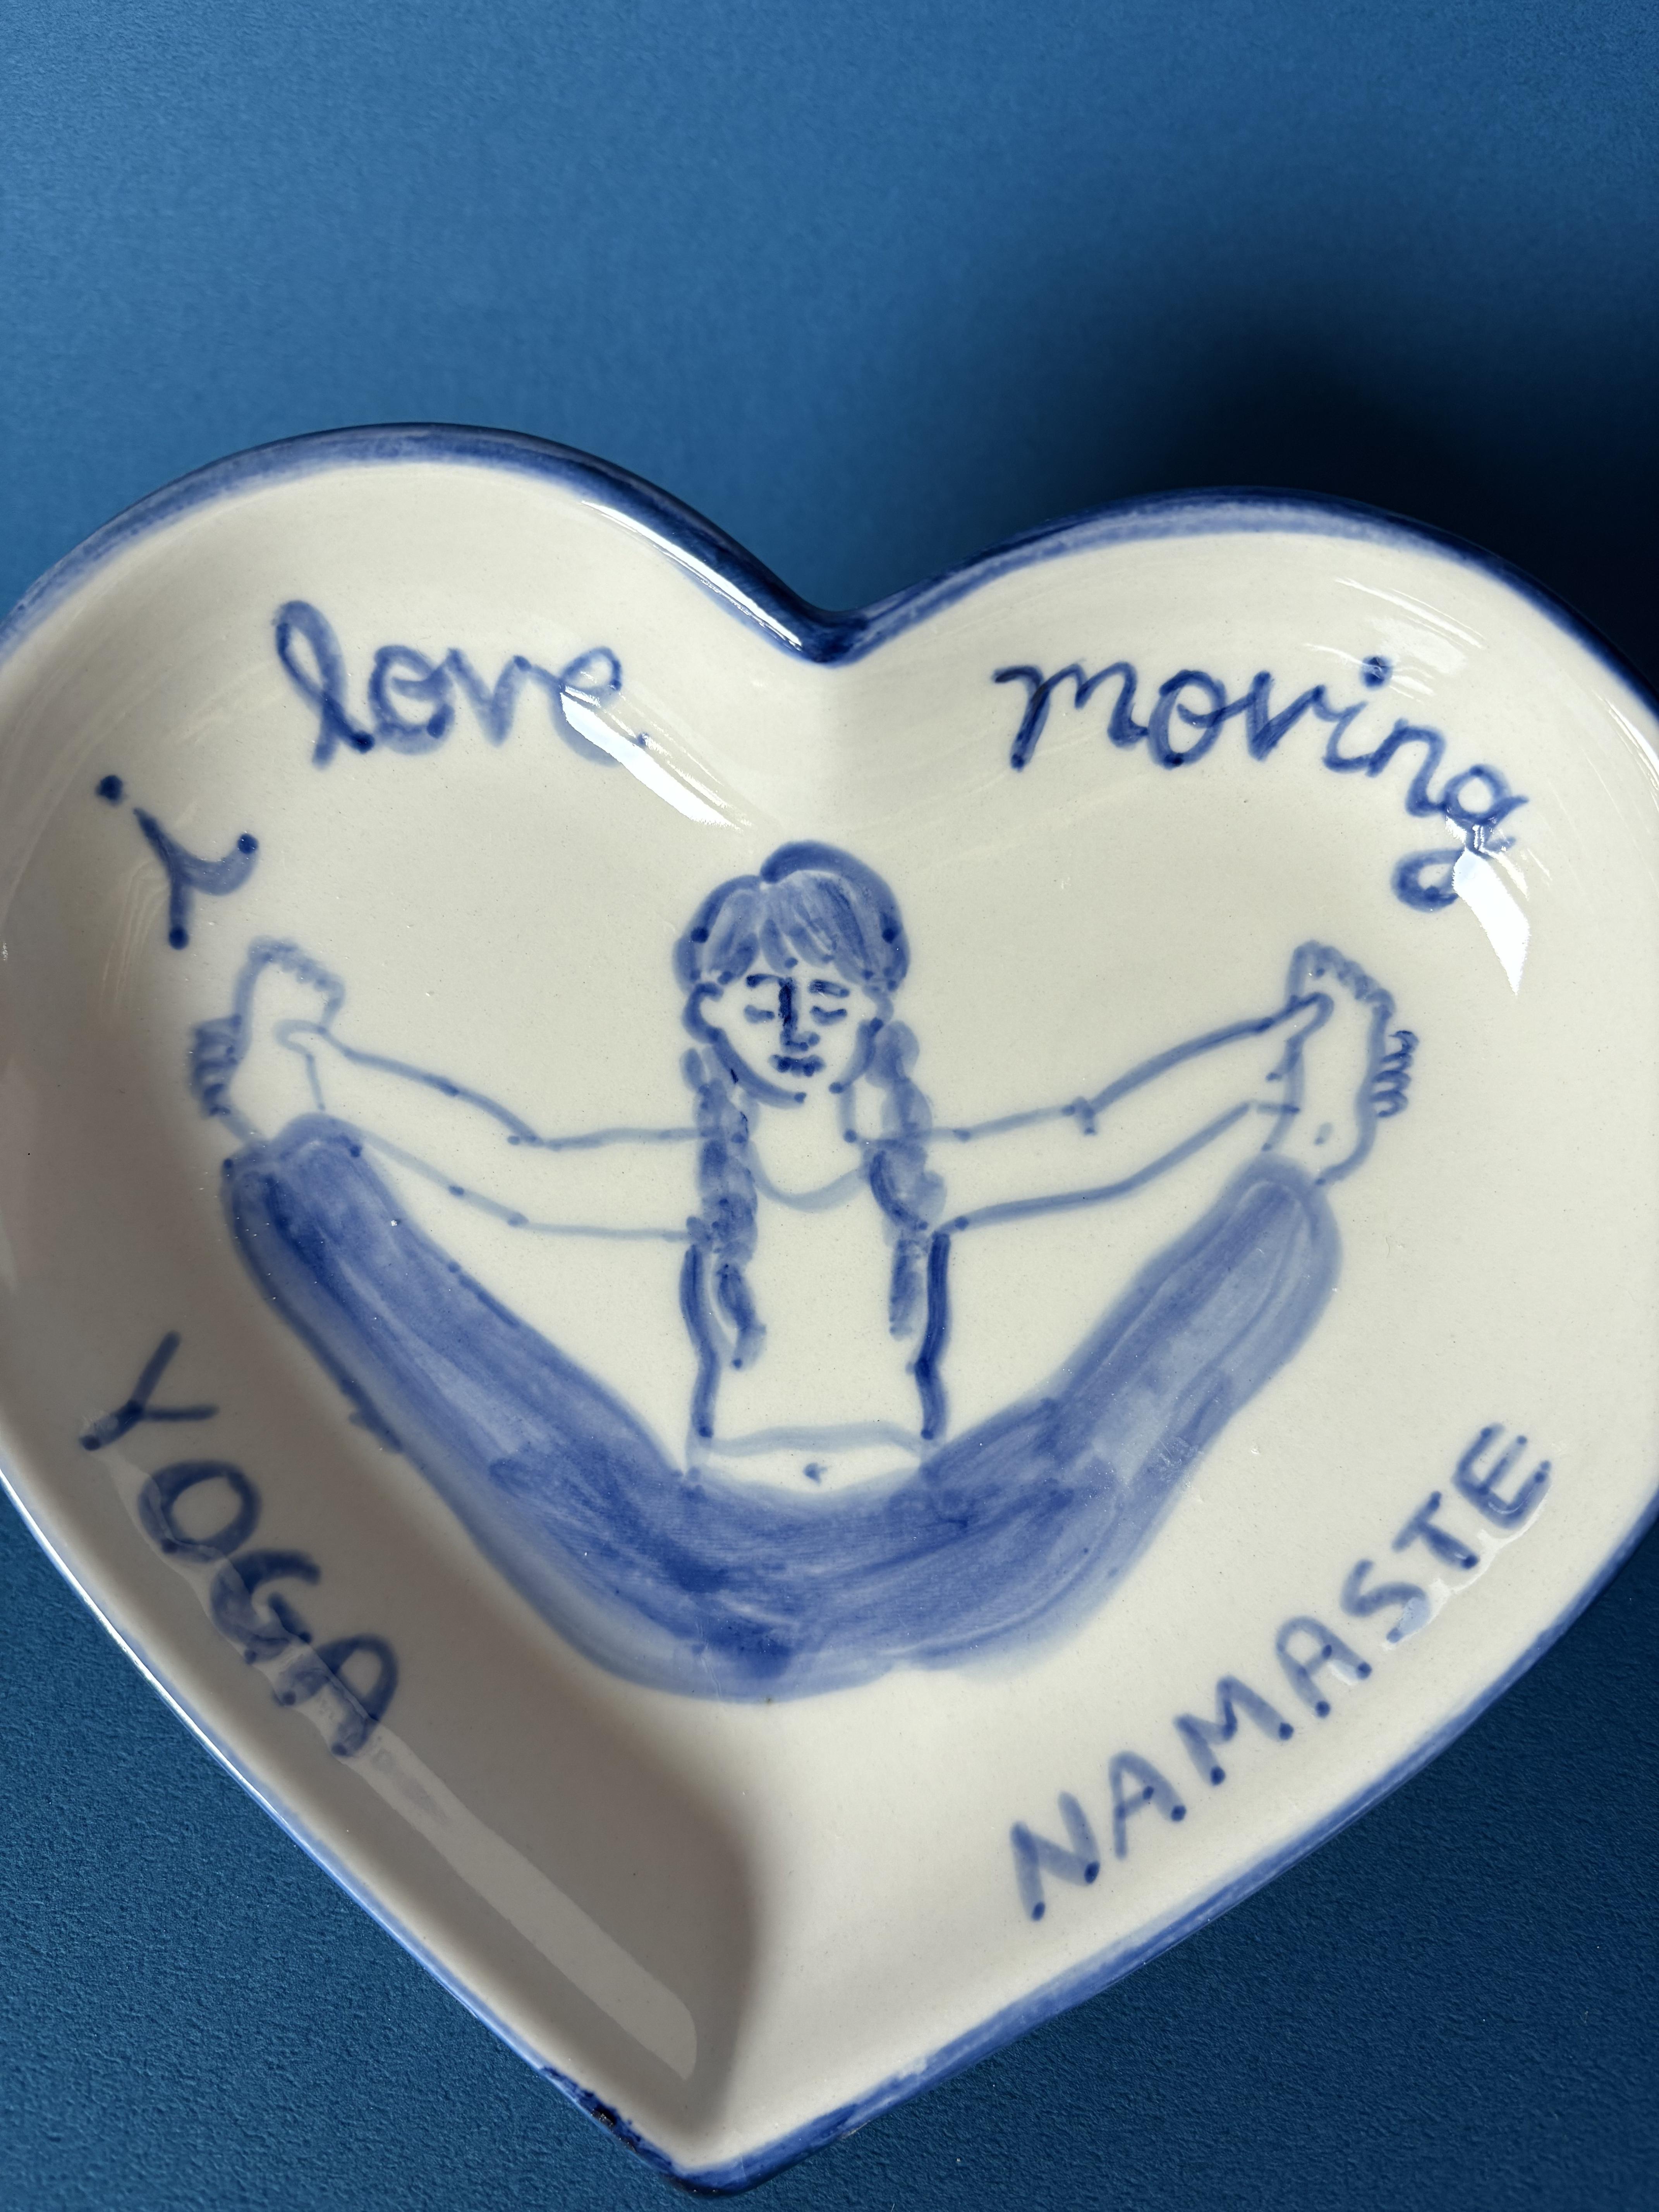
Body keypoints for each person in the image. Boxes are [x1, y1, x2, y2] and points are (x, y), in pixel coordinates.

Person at [193, 843, 1413, 1699]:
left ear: (874, 1016)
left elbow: (1096, 1139)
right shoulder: (695, 1180)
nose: (792, 1023)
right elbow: (522, 1170)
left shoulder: (912, 1179)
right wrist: (333, 1072)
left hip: (925, 1549)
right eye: (760, 996)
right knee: (525, 1430)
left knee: (1086, 1451)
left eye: (826, 995)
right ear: (710, 1016)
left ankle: (1301, 1135)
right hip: (708, 1562)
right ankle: (292, 1100)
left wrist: (1274, 1051)